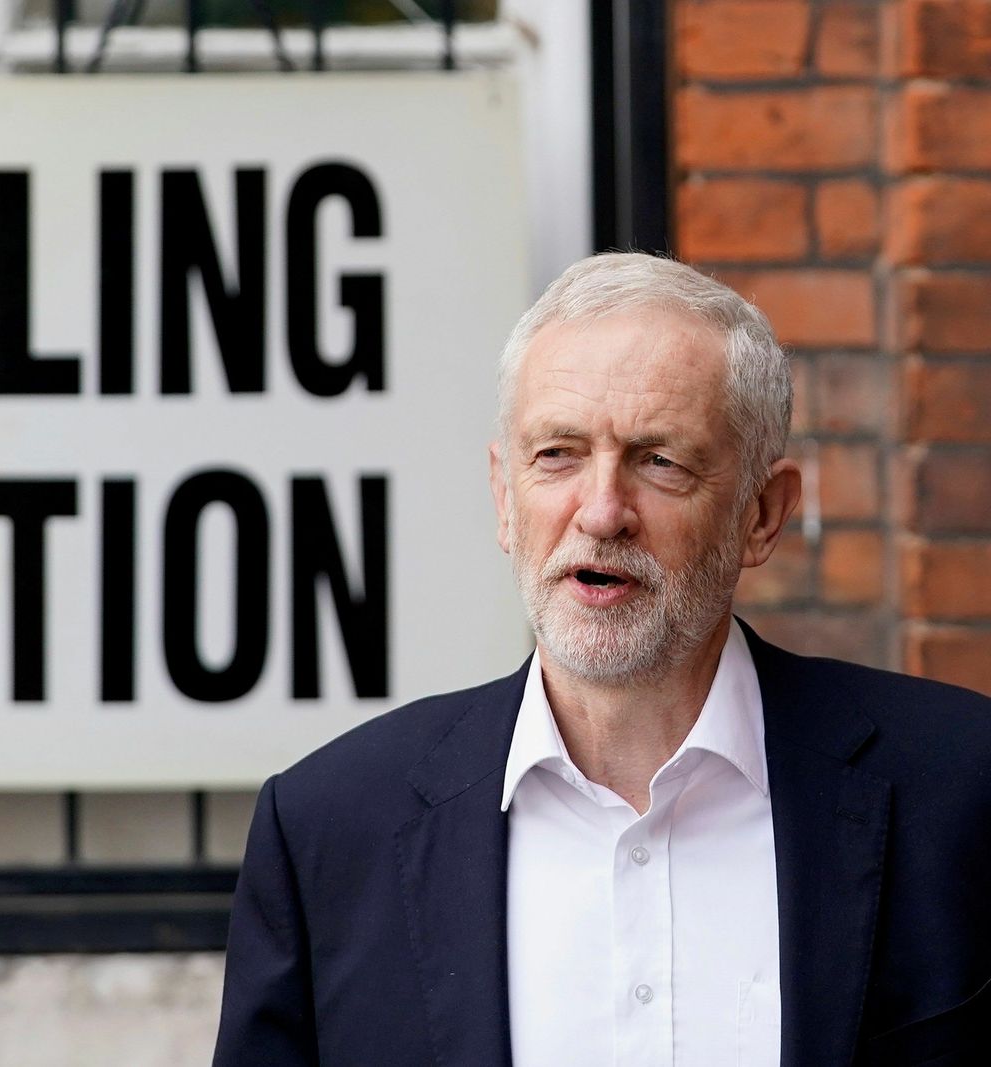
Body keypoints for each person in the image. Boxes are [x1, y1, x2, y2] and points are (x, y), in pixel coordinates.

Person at [212, 253, 991, 1067]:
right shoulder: (328, 831)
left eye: (660, 460)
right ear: (504, 498)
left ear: (763, 514)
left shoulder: (963, 792)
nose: (602, 510)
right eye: (558, 454)